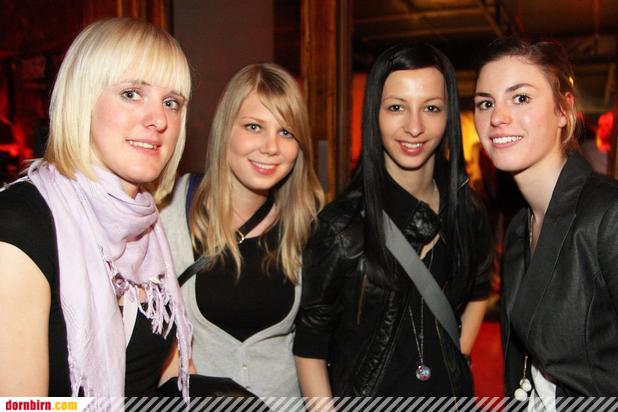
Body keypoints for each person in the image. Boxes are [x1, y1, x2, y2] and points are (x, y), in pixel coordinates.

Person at [0, 17, 193, 398]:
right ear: (82, 100)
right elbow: (22, 407)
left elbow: (170, 375)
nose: (159, 120)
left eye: (171, 102)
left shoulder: (144, 221)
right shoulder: (19, 225)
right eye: (132, 93)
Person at [293, 42, 492, 399]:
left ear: (448, 115)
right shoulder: (341, 228)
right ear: (375, 113)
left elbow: (479, 287)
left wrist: (456, 357)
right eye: (397, 107)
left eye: (431, 108)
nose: (414, 127)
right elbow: (310, 345)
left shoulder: (466, 209)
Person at [160, 63, 324, 397]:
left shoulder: (307, 224)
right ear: (226, 130)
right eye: (254, 126)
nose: (271, 147)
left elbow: (316, 344)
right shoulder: (169, 210)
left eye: (286, 132)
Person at [473, 37, 618, 406]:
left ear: (563, 111)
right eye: (486, 103)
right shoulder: (519, 228)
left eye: (520, 98)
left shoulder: (608, 214)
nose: (497, 117)